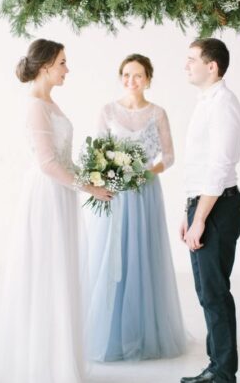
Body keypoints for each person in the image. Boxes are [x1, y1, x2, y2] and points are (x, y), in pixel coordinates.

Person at [0, 39, 112, 382]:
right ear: (45, 66)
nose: (67, 69)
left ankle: (59, 357)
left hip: (62, 193)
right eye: (62, 62)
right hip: (47, 194)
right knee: (47, 271)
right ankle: (43, 363)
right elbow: (46, 163)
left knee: (61, 270)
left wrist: (92, 174)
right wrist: (89, 187)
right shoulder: (35, 106)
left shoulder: (50, 103)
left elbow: (62, 158)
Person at [85, 54, 186, 362]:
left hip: (144, 193)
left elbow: (168, 157)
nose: (132, 81)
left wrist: (145, 173)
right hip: (115, 193)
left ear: (149, 79)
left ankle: (143, 332)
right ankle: (110, 333)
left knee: (142, 256)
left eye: (138, 75)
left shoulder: (158, 114)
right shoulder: (107, 111)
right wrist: (110, 174)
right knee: (111, 256)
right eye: (126, 75)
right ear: (120, 77)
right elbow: (97, 152)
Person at [180, 38, 240, 383]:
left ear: (212, 67)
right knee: (207, 291)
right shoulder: (205, 102)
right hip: (202, 205)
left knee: (215, 291)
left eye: (192, 59)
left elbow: (220, 167)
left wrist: (201, 218)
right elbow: (197, 165)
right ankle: (215, 365)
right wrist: (187, 214)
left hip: (219, 207)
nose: (186, 65)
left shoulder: (223, 105)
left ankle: (223, 372)